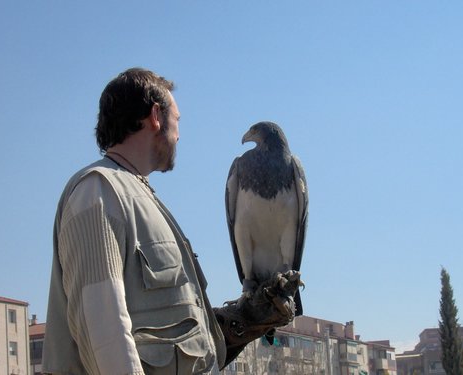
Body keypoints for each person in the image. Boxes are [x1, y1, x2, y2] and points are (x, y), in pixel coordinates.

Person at [42, 67, 300, 375]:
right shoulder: (98, 193)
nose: (179, 134)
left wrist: (241, 322)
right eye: (177, 120)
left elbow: (173, 339)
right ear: (155, 116)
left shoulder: (141, 197)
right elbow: (105, 334)